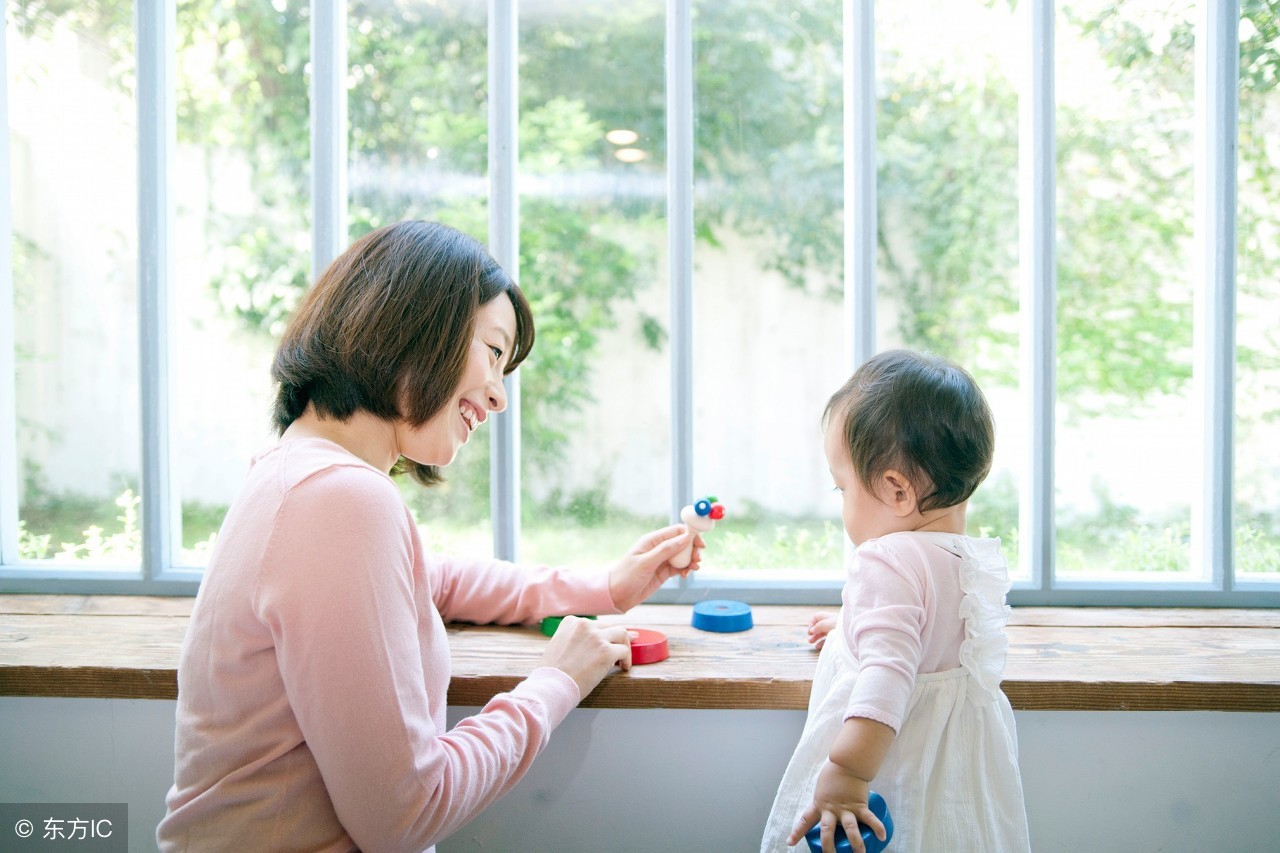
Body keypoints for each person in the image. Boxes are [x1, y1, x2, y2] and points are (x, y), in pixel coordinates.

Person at [157, 220, 702, 852]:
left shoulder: (300, 473)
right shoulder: (340, 500)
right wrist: (556, 683)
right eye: (494, 353)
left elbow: (432, 579)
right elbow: (406, 814)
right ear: (413, 329)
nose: (498, 397)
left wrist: (605, 586)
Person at [760, 349, 1030, 853]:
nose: (842, 503)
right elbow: (920, 640)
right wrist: (850, 630)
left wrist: (846, 772)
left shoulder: (885, 559)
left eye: (843, 488)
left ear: (896, 490)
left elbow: (889, 672)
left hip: (885, 767)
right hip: (953, 777)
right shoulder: (967, 561)